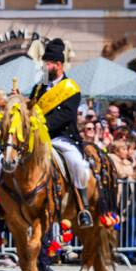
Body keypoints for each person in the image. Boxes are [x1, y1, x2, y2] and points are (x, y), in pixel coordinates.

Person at [28, 38, 92, 227]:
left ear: (58, 65)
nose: (44, 67)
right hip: (38, 138)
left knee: (77, 164)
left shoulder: (71, 88)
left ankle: (83, 207)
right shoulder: (39, 87)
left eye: (47, 64)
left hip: (62, 137)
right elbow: (31, 107)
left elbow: (66, 115)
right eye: (44, 63)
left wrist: (42, 126)